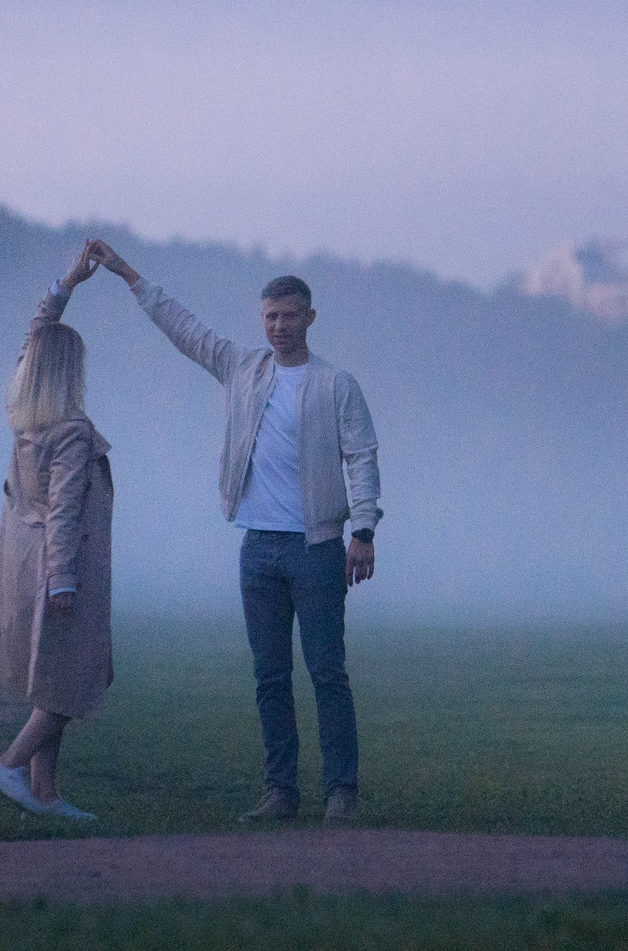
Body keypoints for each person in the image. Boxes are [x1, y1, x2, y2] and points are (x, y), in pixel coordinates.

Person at [87, 239, 380, 823]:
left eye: (289, 315)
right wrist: (126, 274)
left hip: (317, 547)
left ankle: (340, 790)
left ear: (310, 318)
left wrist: (363, 529)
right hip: (258, 547)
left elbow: (362, 456)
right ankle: (280, 792)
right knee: (269, 676)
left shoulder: (335, 384)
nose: (279, 326)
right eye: (270, 316)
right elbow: (185, 329)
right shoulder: (243, 369)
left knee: (326, 671)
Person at [0, 240, 114, 821]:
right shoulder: (72, 433)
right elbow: (64, 510)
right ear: (71, 372)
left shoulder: (26, 420)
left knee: (49, 678)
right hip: (59, 565)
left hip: (23, 560)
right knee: (73, 683)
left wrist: (68, 283)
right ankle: (10, 765)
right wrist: (63, 580)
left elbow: (36, 330)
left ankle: (46, 794)